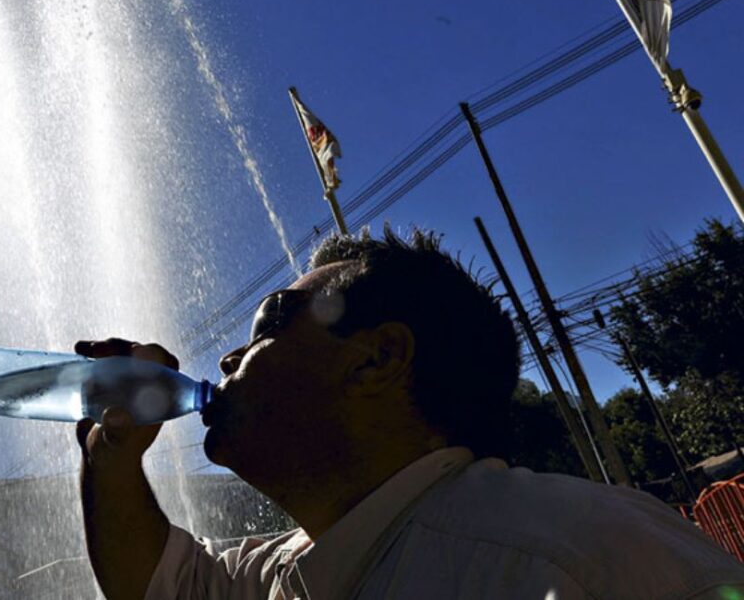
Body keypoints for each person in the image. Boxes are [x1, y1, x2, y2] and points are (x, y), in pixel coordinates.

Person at [73, 227, 744, 599]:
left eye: (269, 322)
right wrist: (111, 458)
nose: (228, 357)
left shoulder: (574, 553)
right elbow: (157, 584)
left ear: (377, 358)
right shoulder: (302, 567)